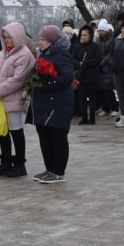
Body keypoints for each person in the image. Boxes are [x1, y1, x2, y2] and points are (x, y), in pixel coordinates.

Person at [0, 22, 36, 177]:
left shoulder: (24, 55)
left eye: (10, 38)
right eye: (5, 38)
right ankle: (5, 162)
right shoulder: (2, 54)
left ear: (18, 38)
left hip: (14, 99)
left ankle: (20, 164)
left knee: (16, 132)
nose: (6, 40)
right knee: (2, 132)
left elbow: (18, 80)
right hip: (0, 99)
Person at [31, 24, 75, 182]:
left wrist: (47, 84)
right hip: (44, 103)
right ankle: (49, 169)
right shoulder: (44, 55)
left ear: (52, 40)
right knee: (45, 136)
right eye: (40, 39)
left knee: (57, 136)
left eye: (43, 40)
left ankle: (58, 171)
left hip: (58, 103)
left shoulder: (61, 55)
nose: (40, 42)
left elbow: (67, 77)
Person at [70, 26, 102, 125]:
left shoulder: (95, 46)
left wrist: (86, 63)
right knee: (82, 98)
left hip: (91, 76)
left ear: (90, 36)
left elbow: (97, 59)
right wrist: (78, 64)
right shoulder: (77, 47)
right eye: (82, 35)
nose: (83, 37)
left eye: (85, 35)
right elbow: (72, 59)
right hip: (80, 76)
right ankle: (84, 117)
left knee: (92, 98)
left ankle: (92, 118)